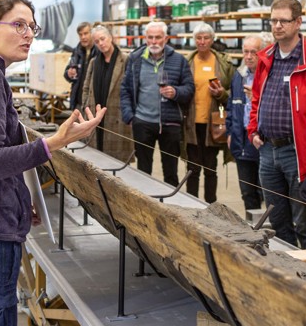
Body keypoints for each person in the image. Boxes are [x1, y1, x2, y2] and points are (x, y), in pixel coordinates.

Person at [0, 0, 106, 326]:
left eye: (32, 27)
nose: (29, 34)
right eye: (19, 24)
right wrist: (54, 143)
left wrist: (22, 202)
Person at [247, 0, 306, 256]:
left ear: (298, 22)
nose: (277, 26)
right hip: (268, 152)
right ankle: (289, 276)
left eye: (283, 21)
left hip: (299, 155)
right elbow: (256, 98)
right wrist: (253, 129)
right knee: (277, 221)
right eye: (273, 20)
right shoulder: (266, 58)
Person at [121, 21, 194, 187]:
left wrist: (175, 92)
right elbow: (125, 88)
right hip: (142, 122)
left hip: (170, 124)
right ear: (145, 39)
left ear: (166, 38)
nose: (154, 42)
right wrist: (130, 117)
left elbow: (189, 89)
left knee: (171, 172)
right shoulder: (135, 59)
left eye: (158, 37)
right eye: (150, 37)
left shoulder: (179, 60)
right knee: (143, 171)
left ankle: (172, 208)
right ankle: (143, 206)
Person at [183, 23, 235, 203]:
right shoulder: (187, 62)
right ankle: (191, 203)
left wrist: (221, 93)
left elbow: (233, 94)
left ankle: (211, 206)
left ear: (212, 40)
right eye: (199, 38)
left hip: (214, 123)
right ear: (194, 40)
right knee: (192, 168)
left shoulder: (223, 63)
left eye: (206, 38)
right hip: (191, 122)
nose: (202, 41)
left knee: (211, 168)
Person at [226, 35, 266, 213]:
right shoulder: (239, 76)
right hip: (242, 140)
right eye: (246, 52)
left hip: (262, 140)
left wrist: (257, 96)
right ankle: (253, 228)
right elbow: (230, 105)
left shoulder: (268, 76)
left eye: (253, 52)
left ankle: (273, 229)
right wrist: (229, 132)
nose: (249, 56)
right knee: (247, 191)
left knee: (266, 191)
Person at [82, 25, 134, 162]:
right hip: (95, 114)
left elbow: (132, 88)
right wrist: (85, 107)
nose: (101, 43)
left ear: (110, 37)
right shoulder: (94, 62)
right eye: (97, 41)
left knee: (117, 161)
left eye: (103, 39)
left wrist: (129, 114)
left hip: (117, 116)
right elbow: (86, 87)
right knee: (96, 158)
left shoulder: (125, 60)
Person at [64, 22, 97, 110]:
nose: (83, 37)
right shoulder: (76, 51)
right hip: (78, 102)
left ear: (92, 33)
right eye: (80, 35)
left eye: (86, 34)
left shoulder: (98, 53)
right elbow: (67, 74)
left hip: (93, 103)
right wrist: (69, 73)